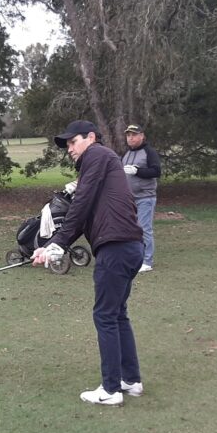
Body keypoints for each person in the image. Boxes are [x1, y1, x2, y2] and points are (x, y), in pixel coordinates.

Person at [32, 120, 145, 406]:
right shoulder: (101, 164)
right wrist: (53, 245)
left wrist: (58, 243)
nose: (70, 149)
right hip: (129, 247)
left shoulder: (96, 154)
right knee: (117, 314)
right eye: (67, 145)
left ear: (91, 137)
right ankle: (130, 380)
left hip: (116, 248)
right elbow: (83, 215)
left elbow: (80, 203)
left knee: (105, 316)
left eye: (73, 142)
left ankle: (110, 390)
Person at [121, 124, 161, 272]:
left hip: (145, 197)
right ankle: (134, 257)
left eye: (134, 135)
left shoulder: (149, 152)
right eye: (128, 135)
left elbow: (156, 171)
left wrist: (137, 171)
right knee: (129, 229)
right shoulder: (127, 154)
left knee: (144, 229)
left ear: (142, 136)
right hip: (129, 198)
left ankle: (147, 261)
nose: (130, 138)